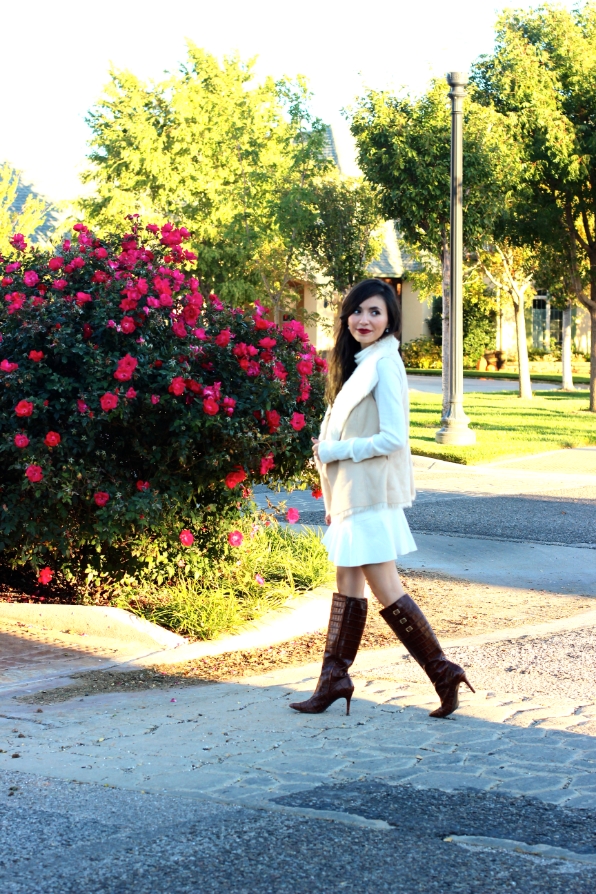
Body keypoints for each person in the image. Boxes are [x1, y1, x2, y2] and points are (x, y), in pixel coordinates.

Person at [289, 279, 474, 719]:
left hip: (370, 494)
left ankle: (442, 671)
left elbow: (393, 437)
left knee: (386, 588)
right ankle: (334, 679)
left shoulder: (386, 363)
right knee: (347, 584)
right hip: (353, 493)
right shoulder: (362, 361)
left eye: (374, 312)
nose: (363, 319)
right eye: (357, 311)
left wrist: (336, 450)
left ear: (390, 319)